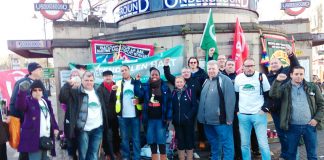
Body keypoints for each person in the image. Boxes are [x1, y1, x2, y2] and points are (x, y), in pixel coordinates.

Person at [270, 66, 324, 160]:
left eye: (301, 74)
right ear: (291, 75)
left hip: (310, 126)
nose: (299, 76)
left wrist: (316, 119)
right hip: (292, 127)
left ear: (304, 75)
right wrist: (277, 81)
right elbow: (273, 95)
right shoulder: (285, 87)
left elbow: (321, 104)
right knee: (291, 154)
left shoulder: (312, 87)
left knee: (312, 155)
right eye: (296, 74)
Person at [59, 71, 109, 160]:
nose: (89, 82)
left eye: (91, 80)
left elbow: (107, 103)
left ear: (94, 81)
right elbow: (62, 98)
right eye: (86, 80)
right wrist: (67, 85)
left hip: (98, 128)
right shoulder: (76, 92)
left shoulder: (99, 90)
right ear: (82, 80)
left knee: (93, 153)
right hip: (83, 129)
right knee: (83, 154)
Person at [197, 60, 236, 160]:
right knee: (214, 145)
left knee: (227, 145)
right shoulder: (206, 80)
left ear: (218, 68)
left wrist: (229, 117)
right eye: (209, 69)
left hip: (221, 121)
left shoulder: (225, 80)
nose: (211, 71)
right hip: (207, 121)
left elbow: (230, 100)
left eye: (213, 68)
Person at [234, 58, 271, 160]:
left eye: (251, 66)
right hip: (243, 116)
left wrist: (264, 109)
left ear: (254, 66)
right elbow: (236, 96)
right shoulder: (238, 78)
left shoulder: (261, 76)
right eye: (247, 66)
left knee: (263, 144)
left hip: (258, 115)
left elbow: (268, 95)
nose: (250, 68)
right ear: (243, 67)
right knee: (244, 144)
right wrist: (237, 111)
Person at [266, 46, 299, 159]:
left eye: (276, 62)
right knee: (281, 134)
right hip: (275, 112)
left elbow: (296, 66)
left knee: (290, 133)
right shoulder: (268, 77)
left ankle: (292, 155)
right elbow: (267, 94)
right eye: (272, 63)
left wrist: (291, 55)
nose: (274, 64)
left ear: (280, 64)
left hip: (287, 109)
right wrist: (268, 107)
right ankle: (285, 154)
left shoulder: (286, 70)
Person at [9, 62, 45, 160]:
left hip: (39, 122)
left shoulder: (39, 82)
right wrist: (21, 121)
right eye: (39, 69)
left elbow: (44, 99)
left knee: (37, 147)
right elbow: (14, 103)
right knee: (26, 148)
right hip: (26, 123)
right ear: (32, 71)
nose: (41, 71)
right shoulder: (22, 82)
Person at [15, 80, 59, 160]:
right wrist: (22, 91)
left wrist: (55, 127)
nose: (37, 92)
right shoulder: (28, 101)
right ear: (31, 91)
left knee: (45, 158)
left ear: (42, 91)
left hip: (46, 138)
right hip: (33, 139)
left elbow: (51, 116)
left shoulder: (46, 102)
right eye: (35, 90)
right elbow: (20, 106)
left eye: (40, 90)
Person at [135, 67, 172, 160]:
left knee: (161, 140)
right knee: (151, 140)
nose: (154, 76)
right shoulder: (146, 86)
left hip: (161, 119)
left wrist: (168, 117)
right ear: (150, 76)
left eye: (156, 75)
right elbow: (138, 94)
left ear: (159, 76)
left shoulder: (165, 87)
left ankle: (163, 157)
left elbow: (169, 103)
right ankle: (154, 157)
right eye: (152, 75)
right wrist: (137, 81)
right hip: (149, 119)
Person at [115, 65, 142, 160]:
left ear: (129, 71)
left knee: (136, 138)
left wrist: (140, 100)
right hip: (122, 116)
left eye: (125, 70)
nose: (123, 72)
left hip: (135, 115)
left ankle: (136, 157)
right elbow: (115, 98)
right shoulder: (118, 83)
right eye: (122, 71)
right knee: (124, 139)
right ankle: (126, 157)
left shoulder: (136, 82)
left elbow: (141, 95)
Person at [171, 76, 198, 160]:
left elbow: (194, 106)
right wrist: (173, 117)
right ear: (175, 83)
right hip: (177, 123)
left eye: (181, 82)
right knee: (180, 142)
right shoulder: (173, 93)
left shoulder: (189, 91)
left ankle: (190, 158)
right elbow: (171, 107)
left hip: (188, 122)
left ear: (184, 82)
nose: (179, 84)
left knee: (189, 141)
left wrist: (188, 117)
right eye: (177, 82)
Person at [97, 70, 121, 160]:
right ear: (103, 78)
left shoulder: (117, 86)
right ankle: (107, 153)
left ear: (112, 76)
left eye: (109, 76)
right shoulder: (100, 88)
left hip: (116, 115)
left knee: (116, 134)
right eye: (106, 76)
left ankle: (116, 151)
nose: (108, 78)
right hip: (105, 116)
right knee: (106, 135)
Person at [187, 57, 208, 150]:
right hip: (188, 101)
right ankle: (190, 142)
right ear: (188, 64)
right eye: (191, 62)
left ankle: (202, 140)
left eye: (194, 62)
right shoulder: (186, 73)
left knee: (200, 123)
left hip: (199, 100)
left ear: (197, 63)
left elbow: (206, 85)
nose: (193, 64)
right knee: (190, 122)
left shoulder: (202, 73)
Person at [61, 69, 81, 160]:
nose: (75, 77)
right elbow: (62, 98)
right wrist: (67, 84)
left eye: (77, 75)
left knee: (81, 142)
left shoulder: (83, 88)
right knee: (71, 141)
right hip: (71, 119)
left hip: (82, 121)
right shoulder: (67, 88)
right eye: (73, 75)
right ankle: (72, 155)